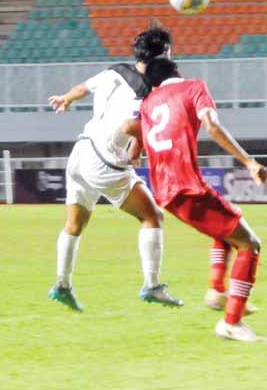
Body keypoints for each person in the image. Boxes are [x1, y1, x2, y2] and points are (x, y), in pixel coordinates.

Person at [44, 24, 182, 311]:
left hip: (81, 151)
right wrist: (136, 151)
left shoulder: (115, 70)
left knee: (74, 224)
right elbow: (132, 126)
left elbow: (83, 88)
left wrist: (66, 98)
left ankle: (62, 285)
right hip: (104, 161)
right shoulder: (147, 92)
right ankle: (152, 286)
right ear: (163, 55)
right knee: (152, 216)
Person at [135, 58, 267, 342]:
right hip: (187, 188)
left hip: (165, 191)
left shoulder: (148, 103)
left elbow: (137, 138)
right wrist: (248, 162)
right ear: (177, 71)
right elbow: (212, 126)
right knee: (250, 245)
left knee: (229, 222)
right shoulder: (193, 87)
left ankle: (217, 291)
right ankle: (231, 322)